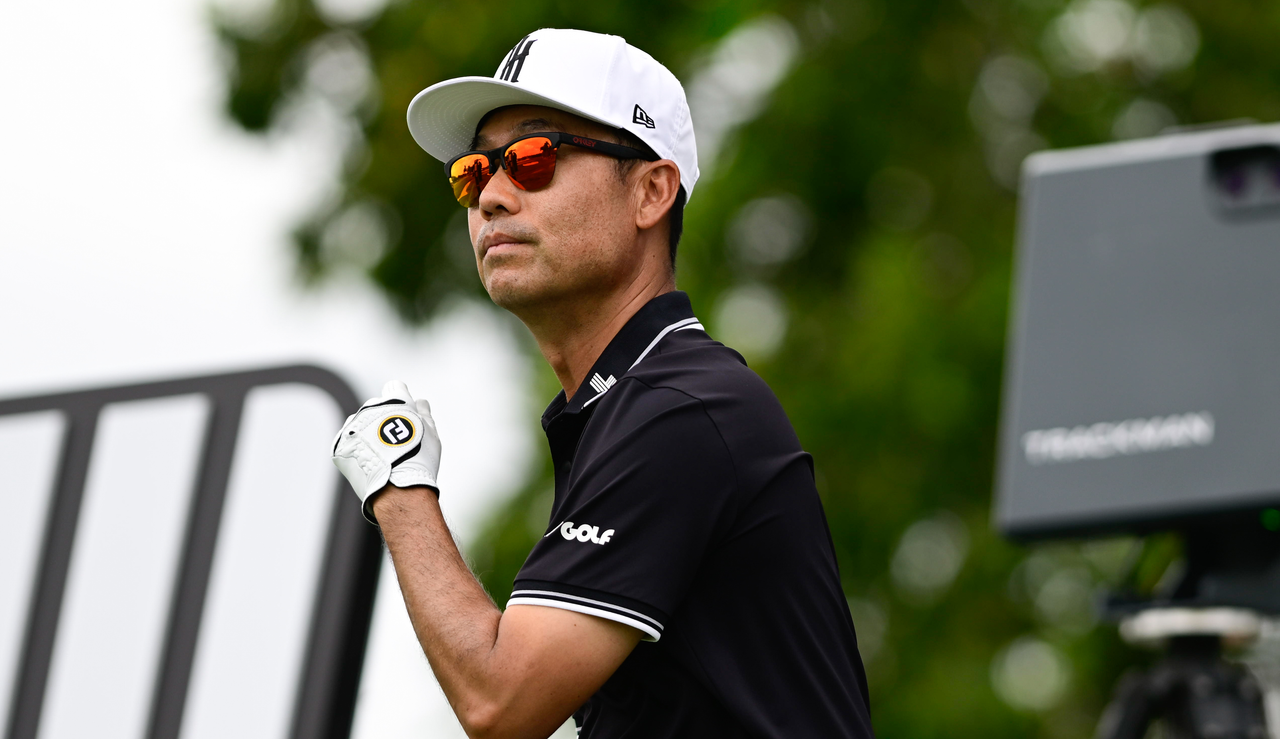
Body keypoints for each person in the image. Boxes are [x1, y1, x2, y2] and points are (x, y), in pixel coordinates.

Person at [332, 28, 875, 739]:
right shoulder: (632, 406)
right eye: (473, 172)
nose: (491, 196)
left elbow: (500, 700)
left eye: (533, 158)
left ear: (651, 191)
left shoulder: (682, 406)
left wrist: (396, 481)